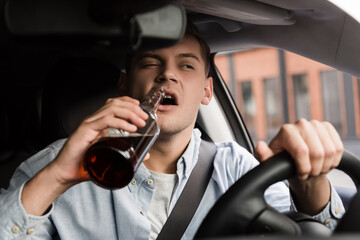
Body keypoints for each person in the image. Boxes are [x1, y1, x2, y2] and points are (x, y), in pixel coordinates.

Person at [0, 21, 344, 240]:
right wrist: (58, 176)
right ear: (124, 85)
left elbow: (311, 233)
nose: (167, 74)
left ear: (207, 91)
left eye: (186, 64)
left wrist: (310, 185)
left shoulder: (236, 167)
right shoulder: (55, 164)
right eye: (150, 62)